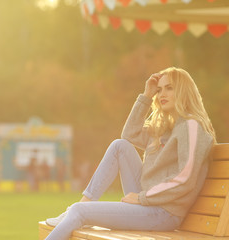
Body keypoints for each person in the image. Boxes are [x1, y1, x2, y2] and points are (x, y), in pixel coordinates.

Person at [44, 67, 216, 240]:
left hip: (165, 213)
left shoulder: (191, 126)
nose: (162, 93)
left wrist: (142, 198)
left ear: (183, 91)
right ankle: (83, 203)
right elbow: (129, 134)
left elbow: (185, 178)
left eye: (169, 88)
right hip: (152, 203)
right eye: (160, 89)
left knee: (78, 212)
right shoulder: (166, 129)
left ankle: (76, 210)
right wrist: (147, 96)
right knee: (120, 146)